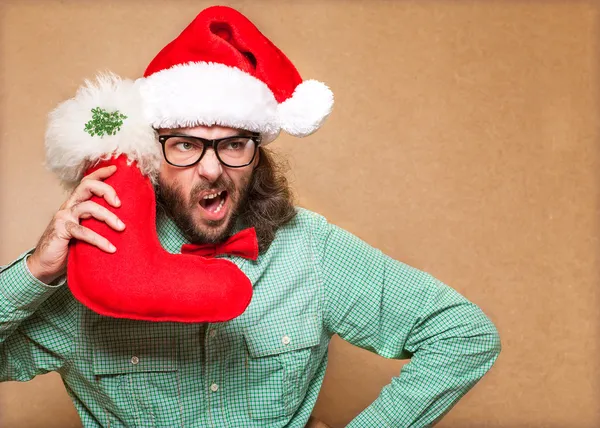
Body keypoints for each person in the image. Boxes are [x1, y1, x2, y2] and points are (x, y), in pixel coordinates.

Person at [0, 5, 501, 428]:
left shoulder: (310, 251)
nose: (212, 168)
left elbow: (464, 334)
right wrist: (34, 274)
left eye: (234, 144)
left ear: (257, 154)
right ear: (150, 156)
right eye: (186, 146)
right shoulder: (94, 266)